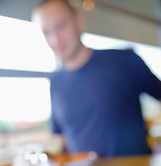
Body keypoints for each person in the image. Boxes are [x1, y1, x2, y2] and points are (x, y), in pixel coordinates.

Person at [32, 0, 161, 157]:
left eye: (60, 26)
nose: (55, 39)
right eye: (46, 32)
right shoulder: (56, 83)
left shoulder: (124, 60)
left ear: (79, 20)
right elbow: (62, 138)